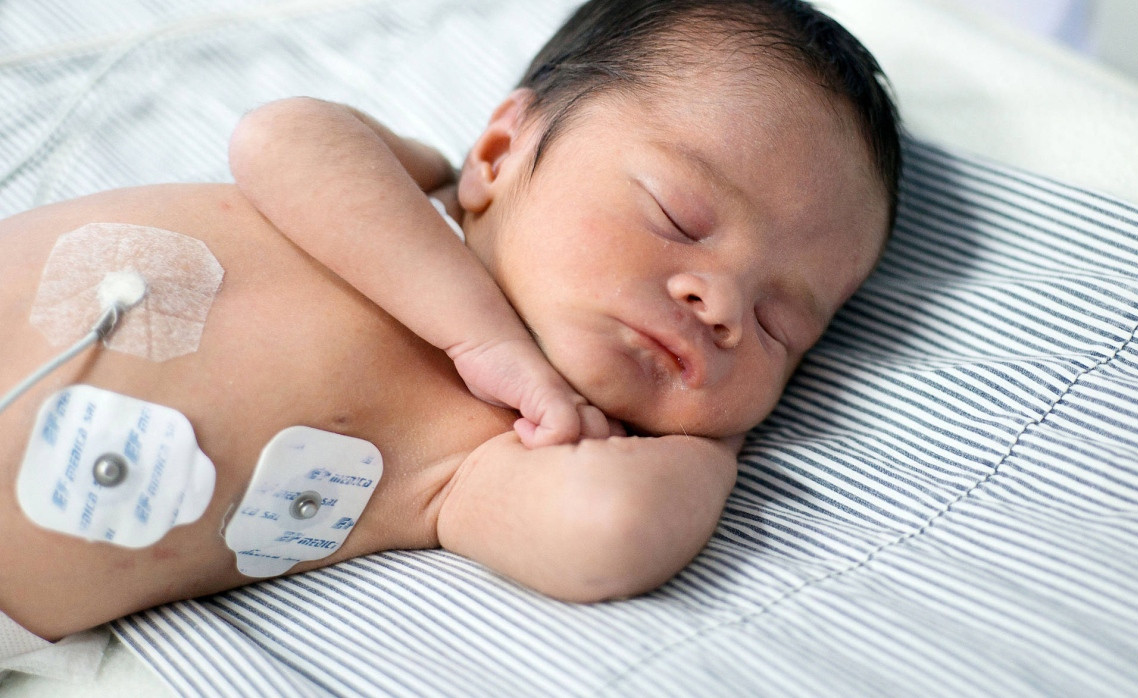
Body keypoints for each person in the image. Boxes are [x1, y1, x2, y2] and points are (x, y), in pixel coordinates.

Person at [0, 0, 901, 642]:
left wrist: (712, 438)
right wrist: (484, 339)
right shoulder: (412, 195)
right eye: (678, 215)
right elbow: (278, 137)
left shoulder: (499, 452)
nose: (724, 306)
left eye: (781, 325)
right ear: (500, 153)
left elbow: (609, 532)